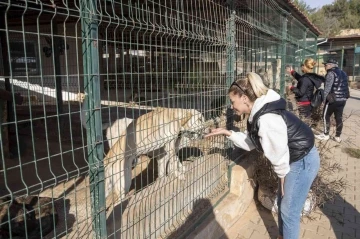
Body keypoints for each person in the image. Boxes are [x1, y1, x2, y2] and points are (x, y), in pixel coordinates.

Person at [205, 72, 320, 239]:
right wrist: (227, 133)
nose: (232, 106)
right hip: (296, 158)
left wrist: (282, 178)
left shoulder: (266, 118)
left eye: (232, 101)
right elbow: (252, 141)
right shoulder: (259, 112)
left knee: (289, 211)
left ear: (244, 98)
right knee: (284, 204)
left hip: (302, 161)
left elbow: (278, 153)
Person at [315, 59, 349, 143]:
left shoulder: (330, 73)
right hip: (343, 99)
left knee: (325, 115)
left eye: (325, 65)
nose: (325, 66)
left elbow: (327, 88)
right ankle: (337, 136)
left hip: (332, 99)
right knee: (339, 117)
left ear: (330, 65)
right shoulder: (343, 73)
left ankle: (325, 134)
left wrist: (324, 100)